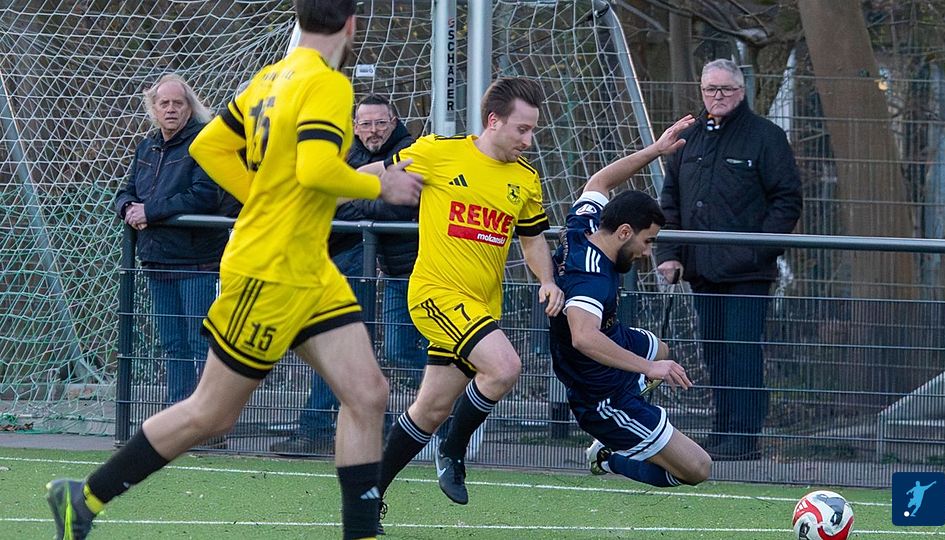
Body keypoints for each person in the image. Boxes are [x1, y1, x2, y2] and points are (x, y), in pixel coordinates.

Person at [45, 2, 422, 539]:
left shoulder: (269, 79)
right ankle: (81, 498)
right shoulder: (327, 84)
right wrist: (379, 183)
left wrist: (261, 197)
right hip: (268, 271)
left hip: (308, 269)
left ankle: (360, 533)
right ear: (351, 25)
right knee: (212, 414)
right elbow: (316, 168)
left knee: (367, 394)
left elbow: (209, 145)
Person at [361, 77, 563, 528]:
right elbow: (377, 172)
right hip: (435, 295)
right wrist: (318, 186)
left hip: (480, 307)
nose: (529, 140)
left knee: (430, 409)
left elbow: (532, 240)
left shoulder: (525, 179)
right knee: (505, 368)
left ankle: (367, 496)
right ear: (494, 121)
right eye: (523, 129)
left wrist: (547, 281)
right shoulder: (439, 152)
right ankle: (453, 450)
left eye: (533, 130)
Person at [549, 115, 712, 490]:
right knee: (698, 469)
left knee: (663, 349)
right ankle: (609, 456)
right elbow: (583, 337)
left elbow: (599, 181)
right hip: (600, 394)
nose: (647, 252)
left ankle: (638, 400)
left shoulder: (587, 225)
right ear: (624, 231)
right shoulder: (591, 281)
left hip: (614, 338)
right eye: (647, 241)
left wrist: (656, 150)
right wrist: (648, 367)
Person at [655, 59, 803, 461]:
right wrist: (669, 252)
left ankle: (745, 436)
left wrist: (755, 250)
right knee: (715, 352)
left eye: (725, 89)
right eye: (710, 89)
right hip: (702, 271)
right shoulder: (688, 139)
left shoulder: (765, 137)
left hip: (748, 273)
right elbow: (671, 200)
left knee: (742, 351)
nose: (717, 96)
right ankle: (722, 430)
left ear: (741, 91)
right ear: (701, 91)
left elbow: (787, 200)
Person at [271, 93, 424, 455]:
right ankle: (367, 423)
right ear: (355, 127)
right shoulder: (349, 154)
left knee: (382, 348)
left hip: (409, 268)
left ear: (393, 122)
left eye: (380, 123)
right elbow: (328, 200)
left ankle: (447, 399)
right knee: (350, 346)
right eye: (366, 124)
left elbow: (398, 208)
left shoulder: (410, 153)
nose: (373, 130)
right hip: (371, 266)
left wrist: (352, 201)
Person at [114, 74, 239, 407]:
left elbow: (204, 196)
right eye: (164, 103)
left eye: (178, 103)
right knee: (173, 344)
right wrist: (128, 208)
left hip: (196, 261)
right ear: (153, 108)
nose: (170, 109)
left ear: (189, 107)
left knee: (200, 342)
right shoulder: (147, 147)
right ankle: (179, 411)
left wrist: (150, 211)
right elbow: (126, 191)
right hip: (156, 260)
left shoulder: (204, 143)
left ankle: (209, 414)